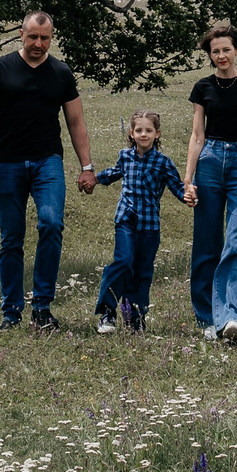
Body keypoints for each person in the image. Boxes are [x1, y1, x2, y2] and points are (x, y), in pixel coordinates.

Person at [0, 10, 94, 331]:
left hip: (47, 162)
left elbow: (76, 123)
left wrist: (87, 167)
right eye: (33, 36)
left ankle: (42, 308)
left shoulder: (62, 73)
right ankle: (10, 314)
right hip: (8, 164)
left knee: (51, 225)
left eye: (45, 38)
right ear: (21, 35)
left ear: (51, 37)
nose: (38, 43)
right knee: (11, 239)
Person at [183, 21, 237, 341]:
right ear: (210, 54)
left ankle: (232, 317)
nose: (221, 55)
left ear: (236, 50)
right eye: (215, 51)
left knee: (235, 242)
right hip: (209, 163)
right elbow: (197, 135)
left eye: (226, 50)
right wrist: (188, 178)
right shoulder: (202, 88)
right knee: (207, 243)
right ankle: (208, 317)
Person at [90, 109, 185, 333]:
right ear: (131, 133)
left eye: (148, 130)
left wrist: (189, 196)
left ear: (157, 134)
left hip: (150, 225)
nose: (144, 134)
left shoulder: (163, 162)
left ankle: (135, 318)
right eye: (139, 130)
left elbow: (177, 187)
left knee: (142, 271)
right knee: (123, 262)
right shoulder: (125, 156)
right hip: (126, 218)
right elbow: (113, 173)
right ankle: (107, 313)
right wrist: (93, 179)